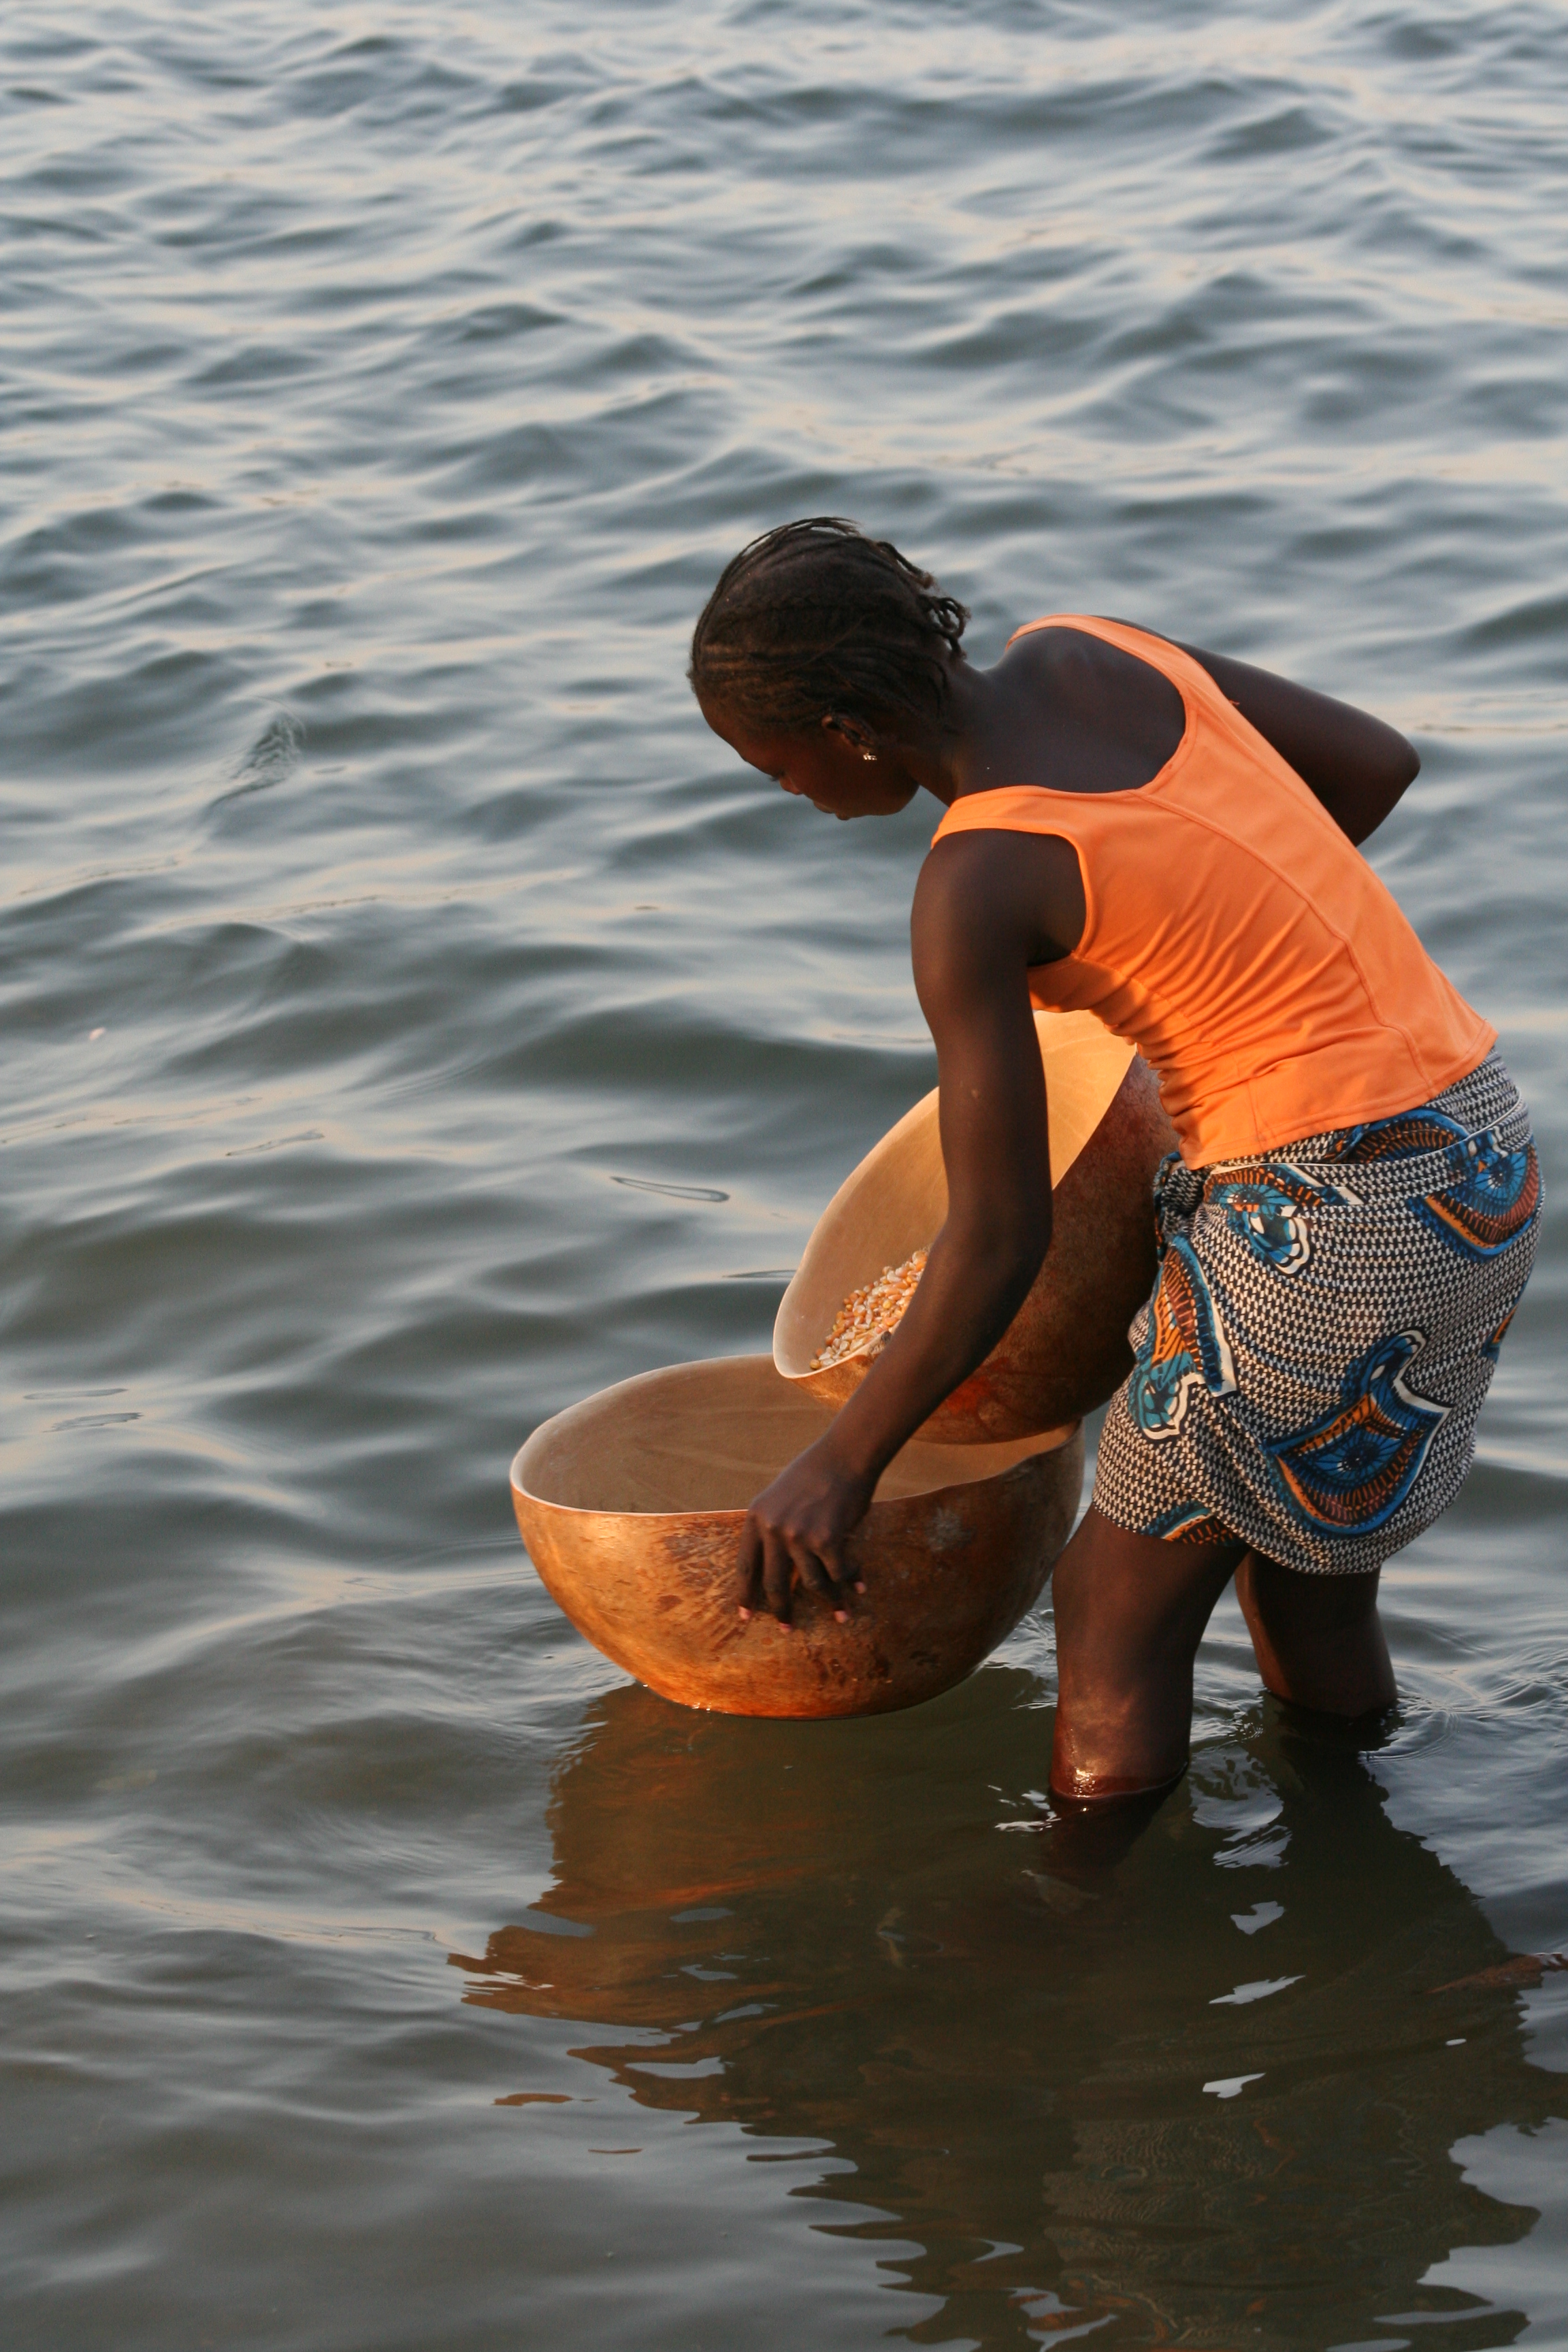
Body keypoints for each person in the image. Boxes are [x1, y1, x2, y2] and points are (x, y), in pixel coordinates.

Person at [688, 518, 1540, 1803]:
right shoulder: (1095, 647)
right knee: (1303, 1579)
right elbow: (1377, 764)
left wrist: (841, 1464)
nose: (791, 793)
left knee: (1111, 1607)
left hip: (1321, 1220)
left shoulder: (975, 880)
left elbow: (998, 1237)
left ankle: (1081, 1906)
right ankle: (1355, 1846)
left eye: (776, 765)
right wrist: (1214, 952)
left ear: (846, 726)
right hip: (1474, 1154)